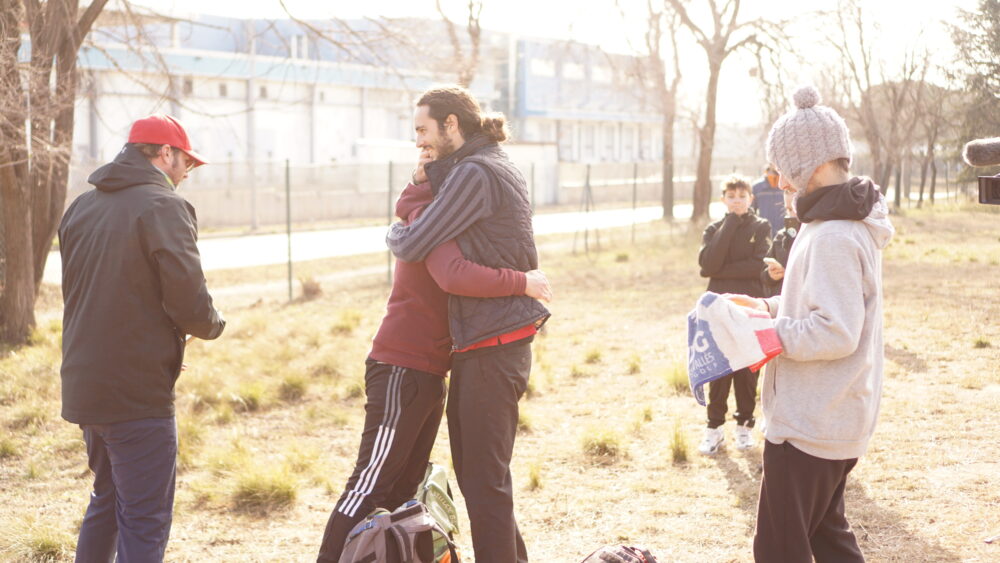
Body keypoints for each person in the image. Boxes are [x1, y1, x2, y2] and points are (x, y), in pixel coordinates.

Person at [315, 144, 552, 561]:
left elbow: (412, 213)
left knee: (401, 490)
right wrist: (523, 282)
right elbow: (452, 274)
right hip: (400, 367)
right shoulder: (430, 224)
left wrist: (415, 187)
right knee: (368, 487)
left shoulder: (431, 218)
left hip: (429, 371)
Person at [728, 85, 894, 562]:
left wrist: (765, 334)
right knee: (827, 536)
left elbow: (835, 331)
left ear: (814, 165)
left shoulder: (833, 235)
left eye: (785, 170)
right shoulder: (833, 225)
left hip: (811, 424)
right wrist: (768, 308)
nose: (779, 181)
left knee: (779, 550)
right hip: (829, 416)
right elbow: (822, 306)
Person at [386, 86, 551, 563]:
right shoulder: (484, 164)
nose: (419, 141)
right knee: (483, 479)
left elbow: (414, 243)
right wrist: (424, 176)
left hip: (493, 343)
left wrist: (394, 231)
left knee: (483, 480)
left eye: (424, 130)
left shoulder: (475, 172)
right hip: (489, 341)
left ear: (452, 124)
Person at [59, 114, 226, 562]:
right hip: (135, 394)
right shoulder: (164, 206)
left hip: (85, 383)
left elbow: (98, 297)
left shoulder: (81, 206)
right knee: (145, 520)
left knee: (108, 501)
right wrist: (213, 324)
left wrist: (160, 344)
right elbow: (190, 304)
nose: (186, 174)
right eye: (186, 163)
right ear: (165, 153)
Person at [696, 175, 772, 454]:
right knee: (719, 369)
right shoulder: (714, 228)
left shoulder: (761, 226)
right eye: (731, 196)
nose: (737, 201)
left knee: (747, 369)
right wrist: (730, 223)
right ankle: (714, 429)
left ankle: (744, 427)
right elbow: (708, 266)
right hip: (718, 309)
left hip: (748, 309)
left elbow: (758, 266)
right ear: (723, 200)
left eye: (742, 196)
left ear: (751, 198)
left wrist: (721, 270)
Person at [759, 188, 800, 298]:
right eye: (788, 209)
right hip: (782, 299)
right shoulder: (781, 237)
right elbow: (764, 275)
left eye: (795, 208)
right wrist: (771, 275)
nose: (792, 214)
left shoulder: (814, 234)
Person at [752, 165, 784, 238]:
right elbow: (751, 212)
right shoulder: (757, 187)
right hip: (764, 234)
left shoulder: (786, 185)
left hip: (784, 233)